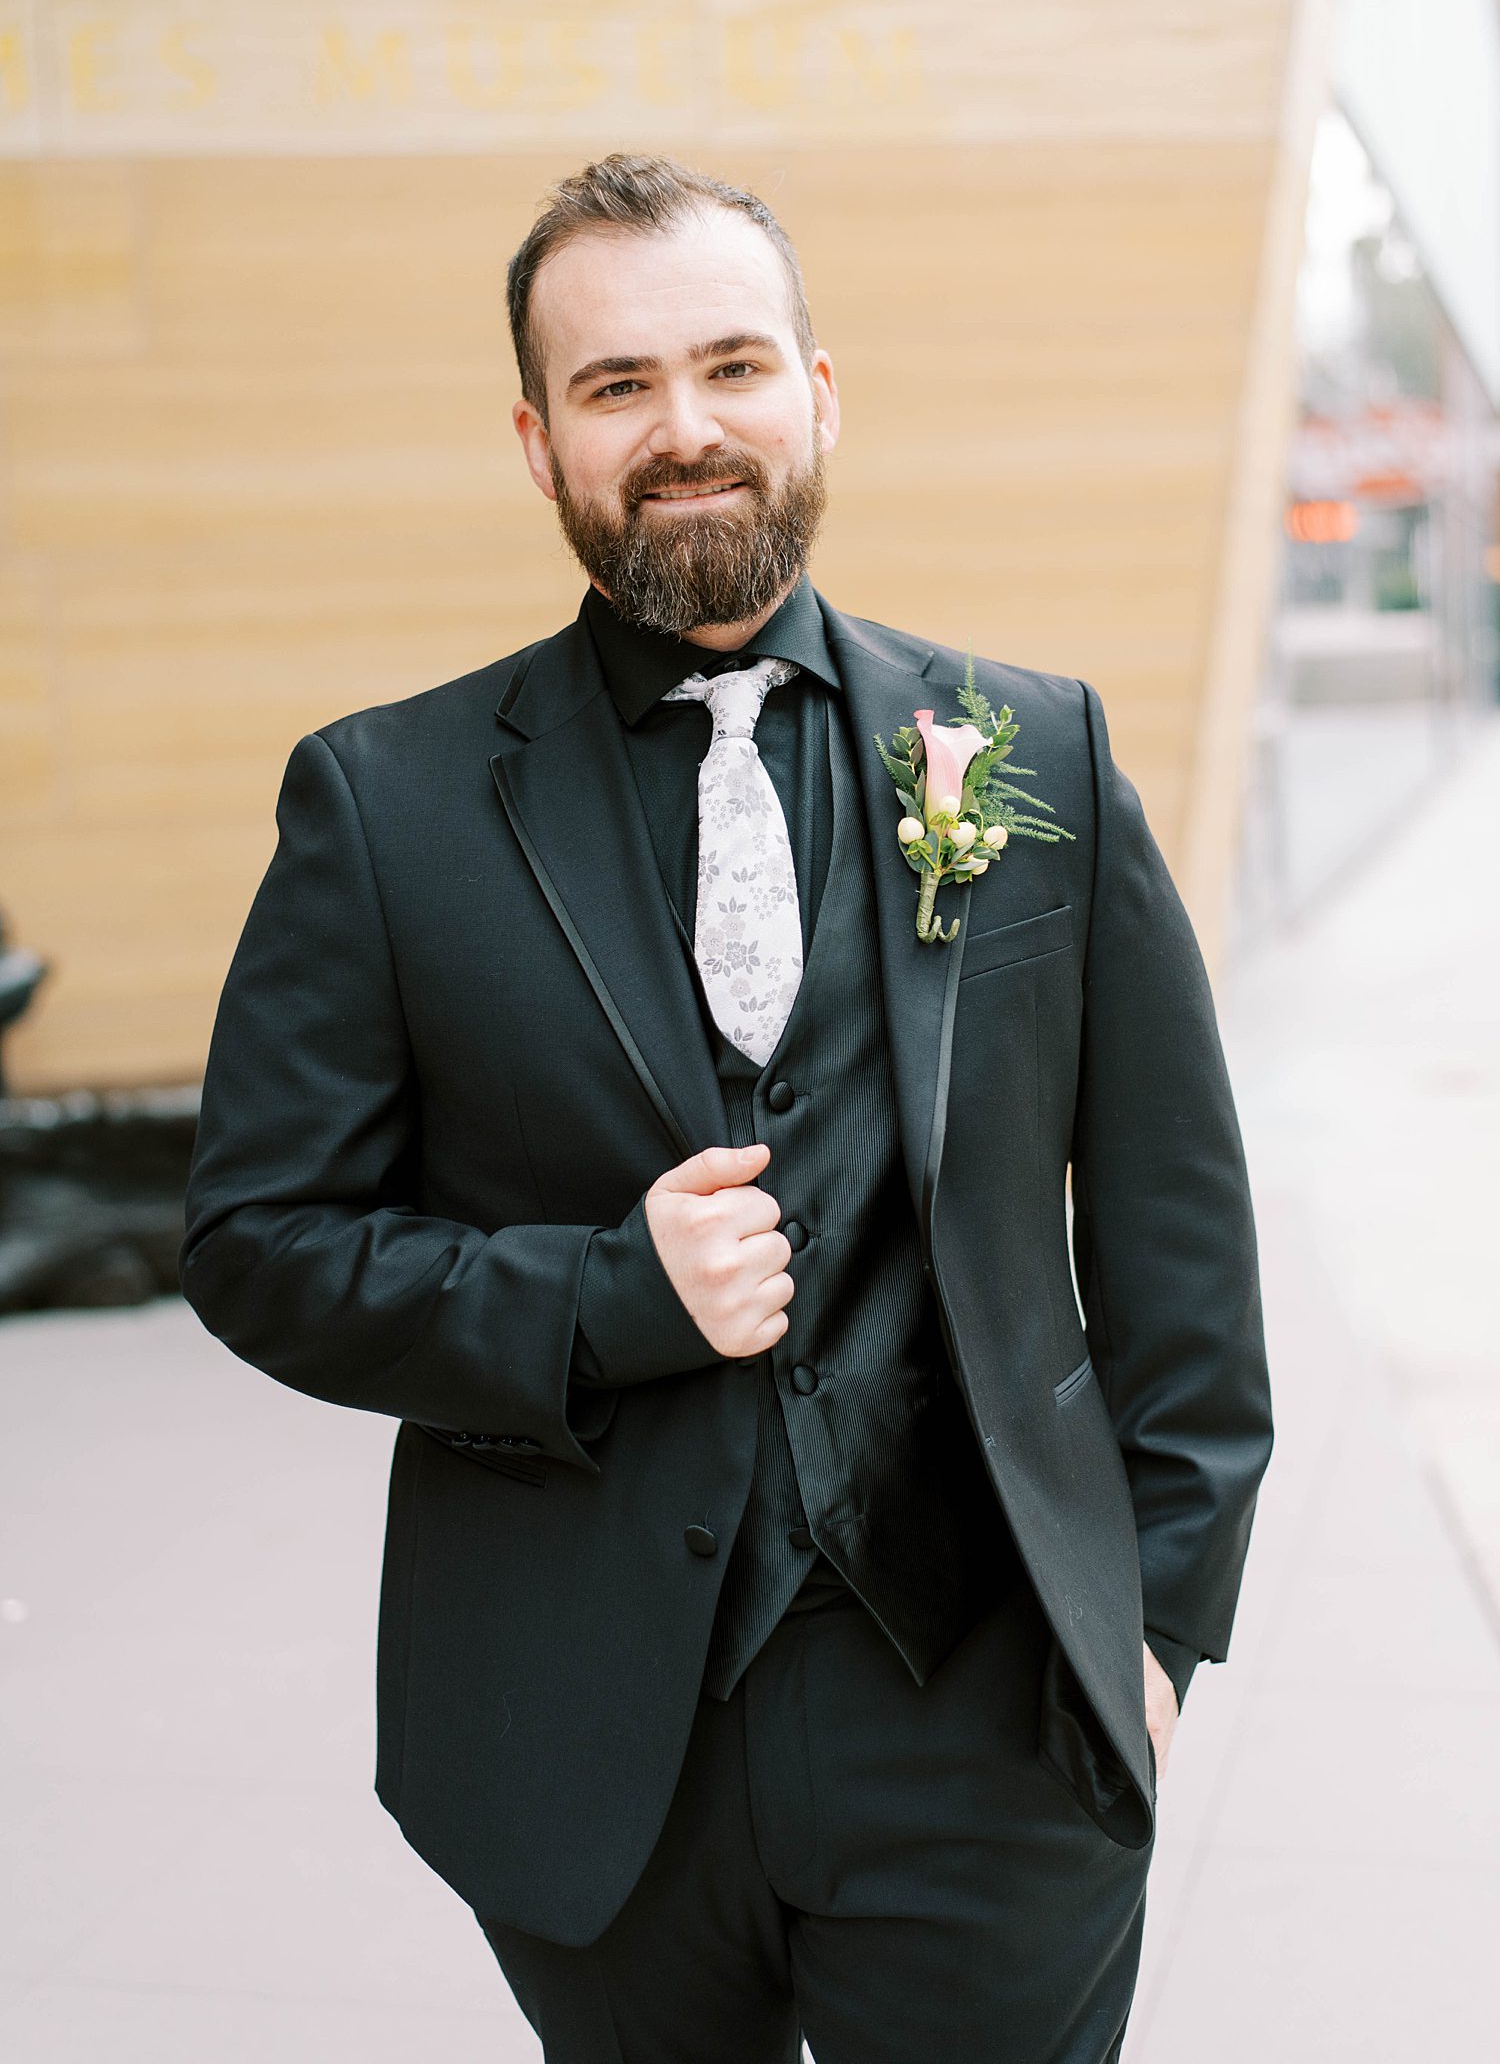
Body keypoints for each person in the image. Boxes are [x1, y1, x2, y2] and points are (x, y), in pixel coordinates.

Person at [180, 153, 1273, 2063]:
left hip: (993, 1724)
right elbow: (256, 1245)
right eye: (616, 389)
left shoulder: (1038, 758)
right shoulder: (385, 804)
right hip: (591, 1749)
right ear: (539, 443)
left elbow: (1182, 1247)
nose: (684, 430)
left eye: (732, 367)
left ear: (819, 394)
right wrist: (602, 1296)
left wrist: (1157, 1643)